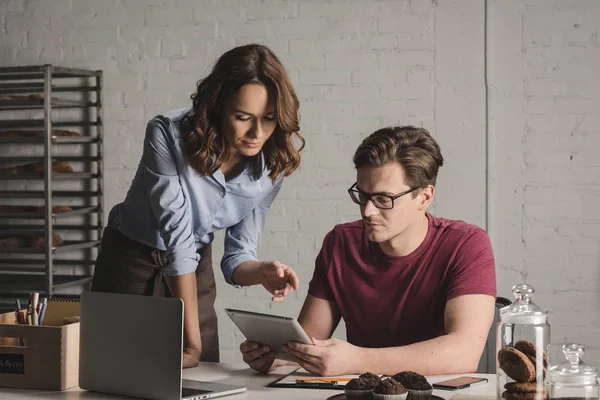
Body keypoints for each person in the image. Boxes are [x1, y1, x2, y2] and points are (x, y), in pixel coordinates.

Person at [91, 44, 304, 368]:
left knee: (200, 380)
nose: (256, 133)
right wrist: (191, 344)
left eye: (269, 118)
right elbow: (177, 238)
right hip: (129, 262)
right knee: (114, 372)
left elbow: (236, 257)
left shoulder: (271, 167)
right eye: (242, 117)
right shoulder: (166, 133)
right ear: (217, 105)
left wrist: (261, 272)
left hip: (195, 273)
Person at [240, 126, 496, 376]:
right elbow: (308, 345)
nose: (367, 211)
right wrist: (275, 358)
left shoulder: (466, 244)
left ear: (425, 197)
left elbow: (464, 354)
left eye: (384, 199)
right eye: (362, 195)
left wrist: (358, 360)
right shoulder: (341, 243)